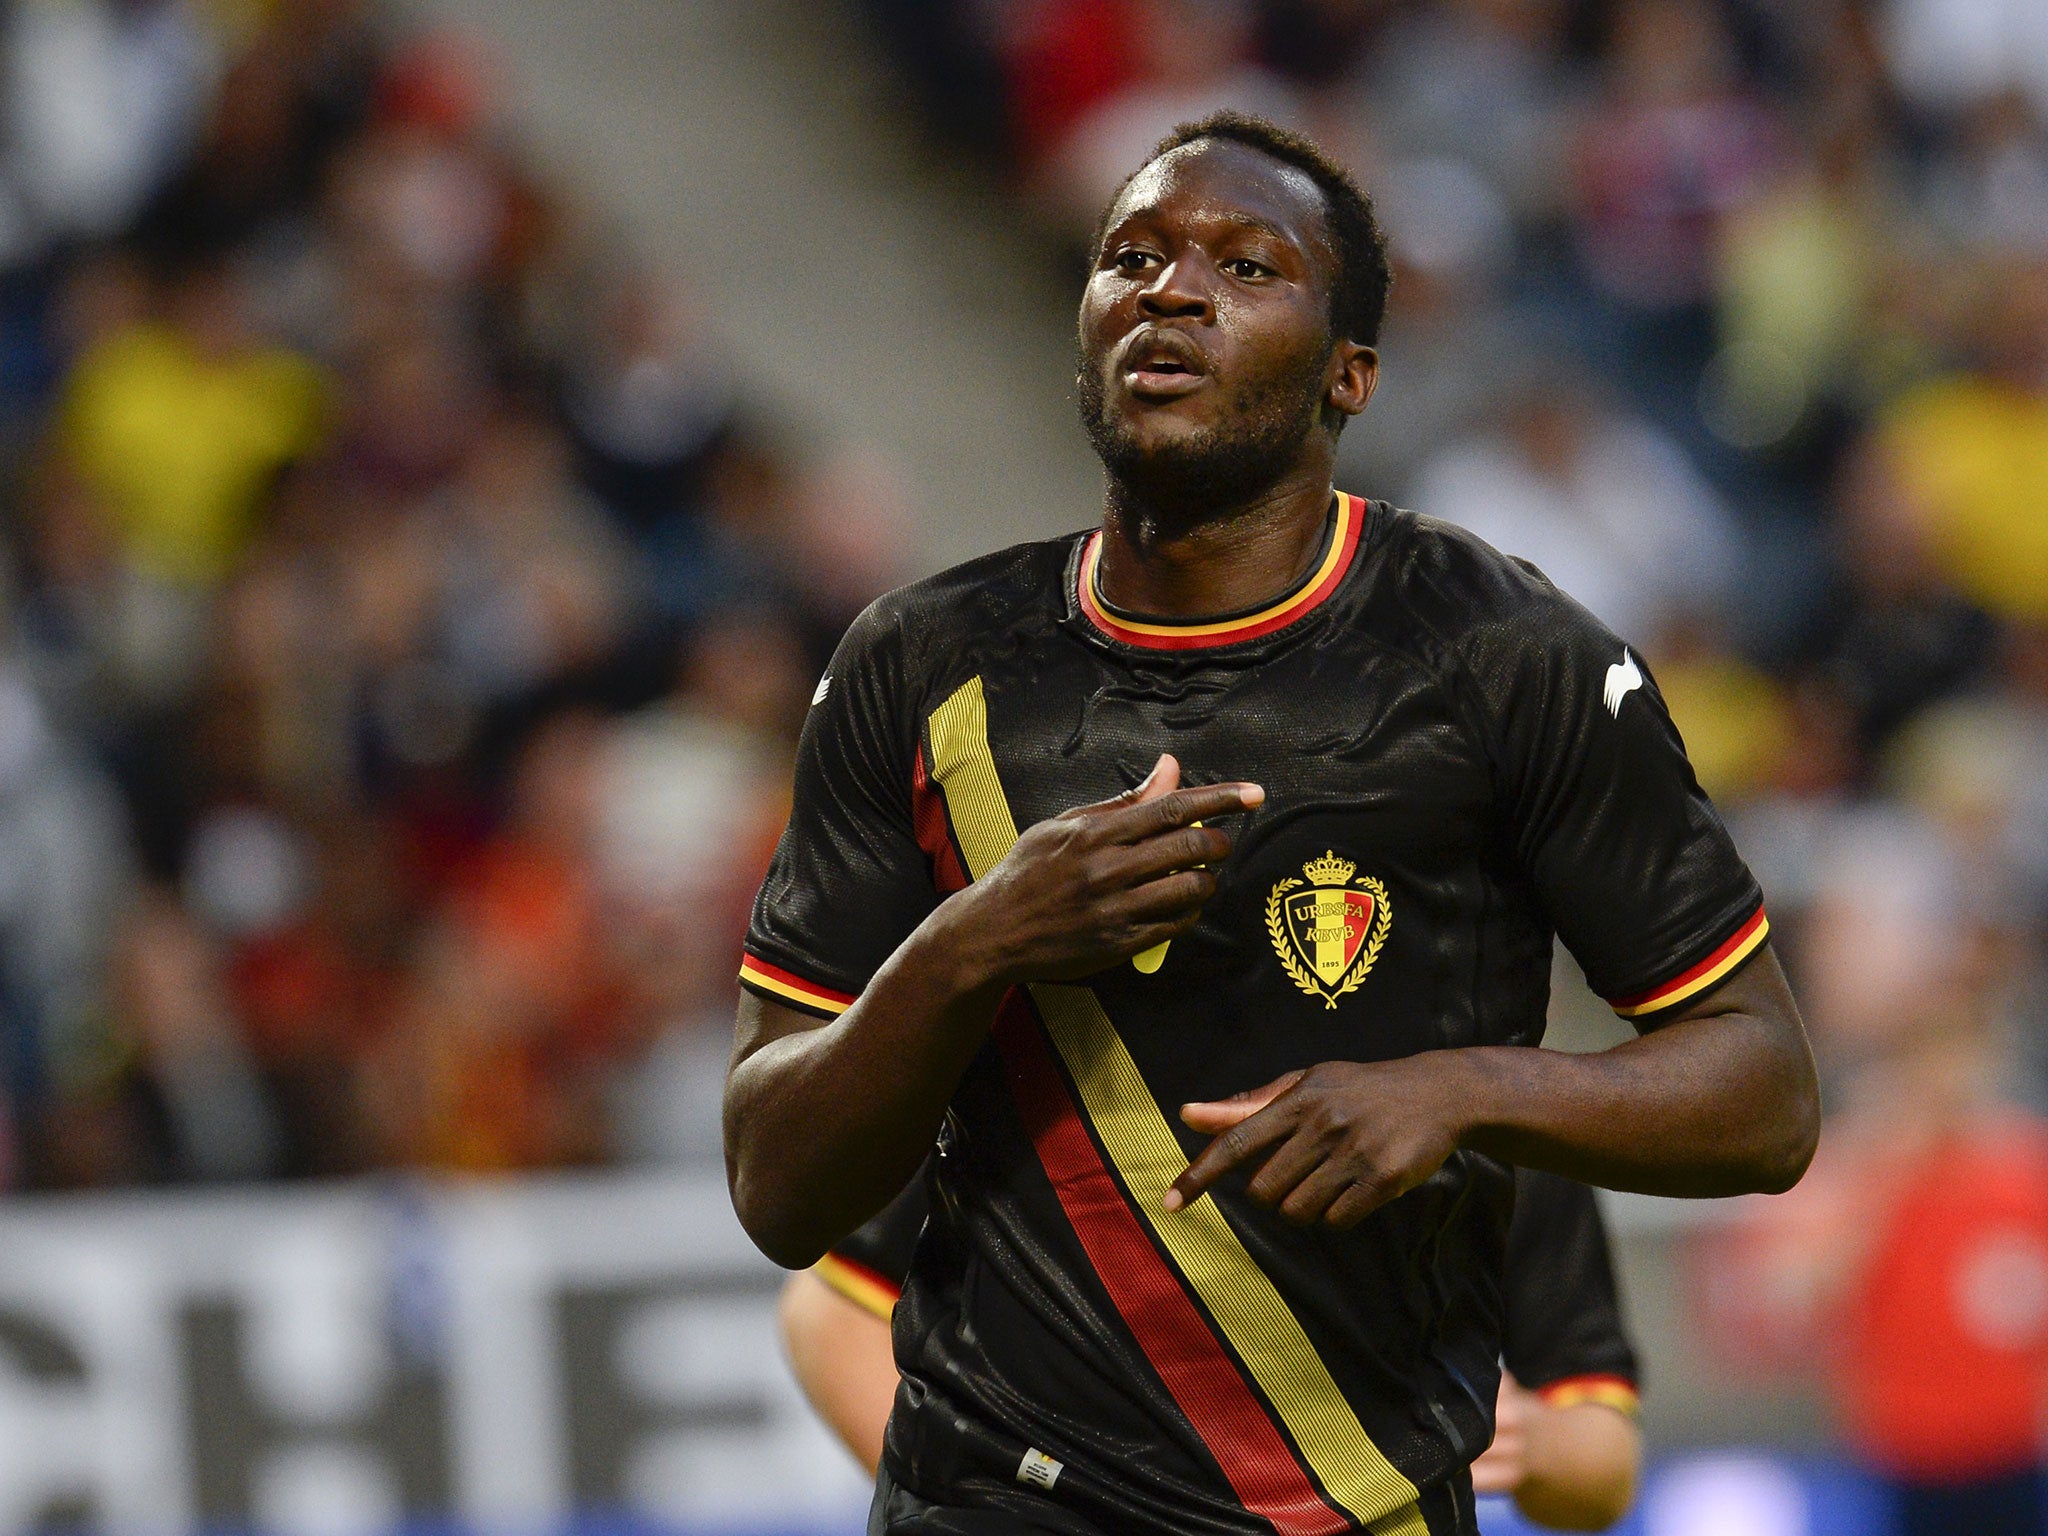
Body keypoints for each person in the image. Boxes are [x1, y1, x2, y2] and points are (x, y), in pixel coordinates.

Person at [724, 110, 1818, 1536]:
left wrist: (1456, 1093)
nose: (1170, 290)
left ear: (1349, 374)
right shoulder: (919, 666)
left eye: (1247, 267)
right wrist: (978, 940)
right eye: (1132, 256)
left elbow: (1766, 1095)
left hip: (1351, 1510)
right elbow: (773, 1185)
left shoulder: (1502, 656)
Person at [783, 1168, 1644, 1532]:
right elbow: (829, 1315)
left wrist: (1531, 1442)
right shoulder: (1055, 1043)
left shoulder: (1498, 1102)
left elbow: (1604, 1458)